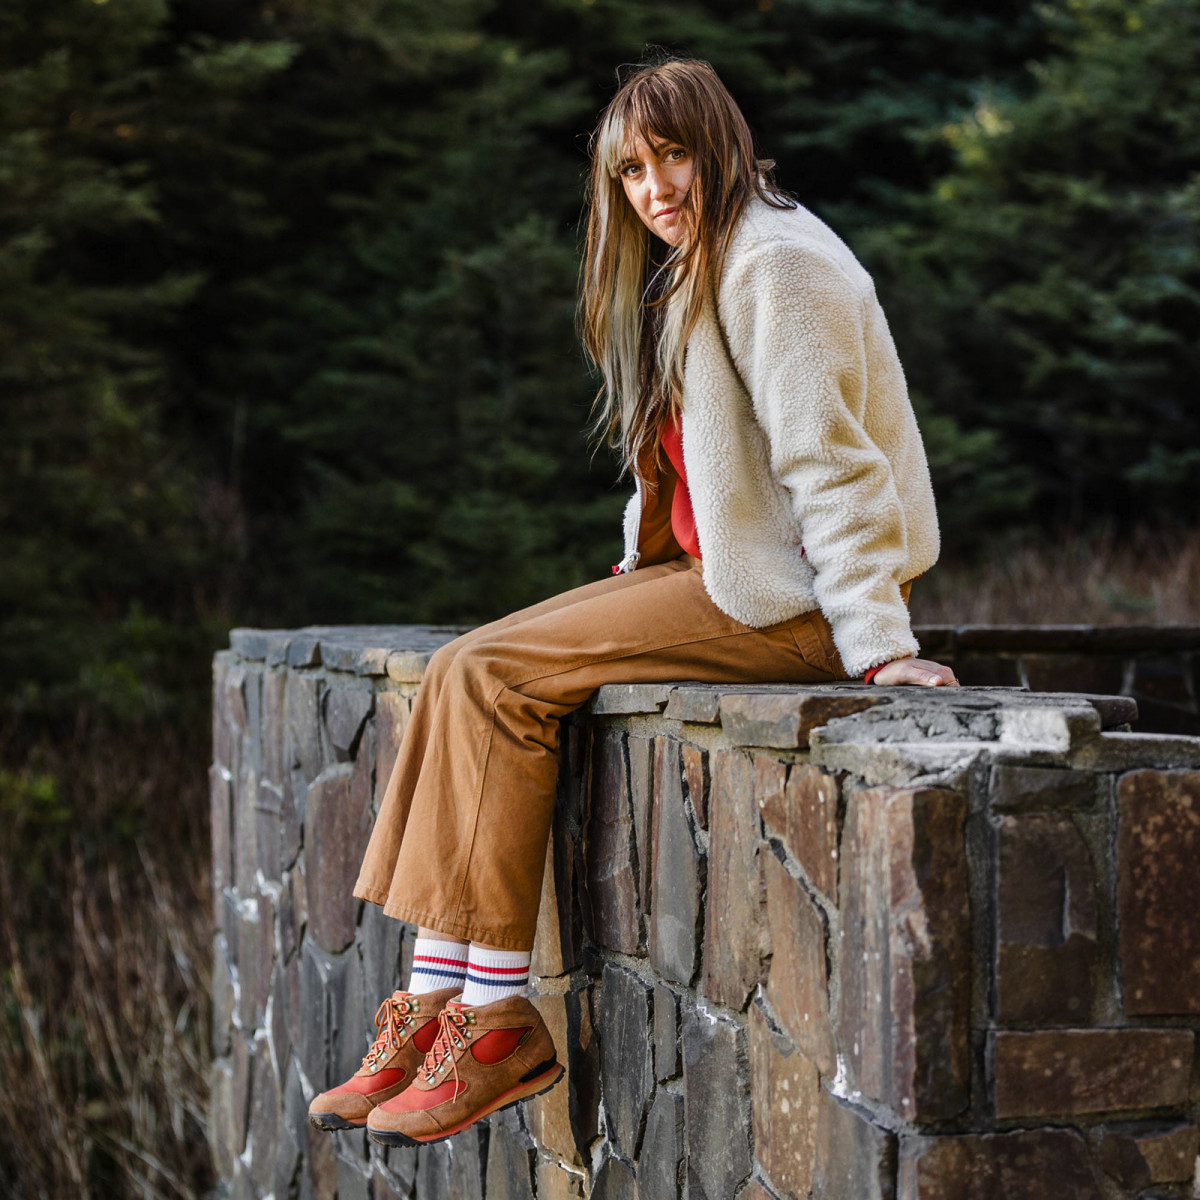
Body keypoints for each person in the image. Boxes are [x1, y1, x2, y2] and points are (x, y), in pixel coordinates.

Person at [308, 53, 958, 1148]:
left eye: (674, 157)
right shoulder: (710, 260)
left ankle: (495, 1019)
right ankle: (433, 1004)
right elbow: (689, 470)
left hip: (785, 609)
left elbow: (831, 468)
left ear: (724, 148)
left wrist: (877, 645)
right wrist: (632, 574)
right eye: (631, 172)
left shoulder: (775, 265)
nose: (655, 189)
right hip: (718, 582)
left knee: (496, 677)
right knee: (469, 662)